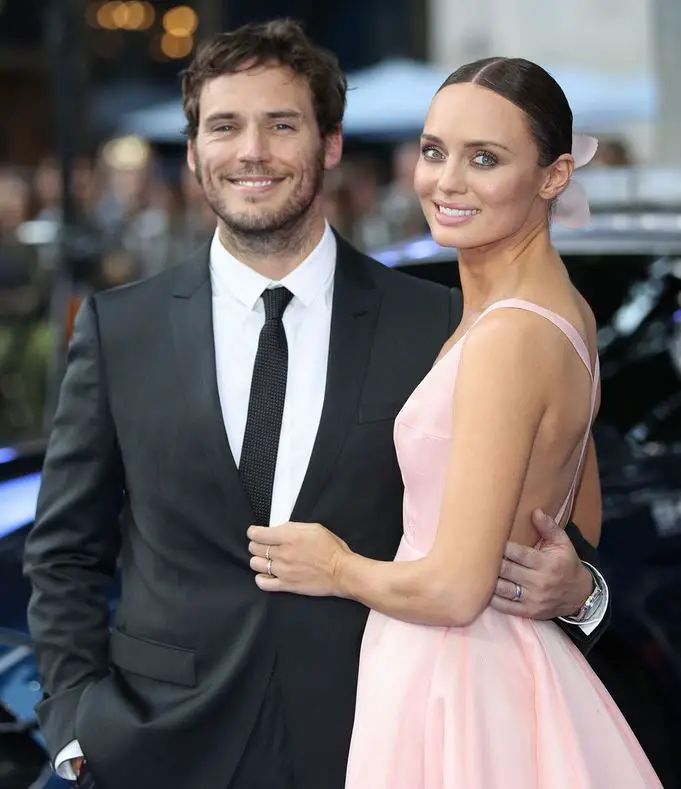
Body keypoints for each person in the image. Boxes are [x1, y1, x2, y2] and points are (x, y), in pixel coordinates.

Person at [23, 23, 607, 789]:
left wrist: (583, 592)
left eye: (282, 124)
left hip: (378, 739)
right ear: (194, 149)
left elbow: (565, 515)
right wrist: (74, 724)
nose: (252, 152)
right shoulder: (118, 328)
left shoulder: (439, 326)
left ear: (330, 144)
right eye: (225, 126)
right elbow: (65, 549)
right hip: (156, 751)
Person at [246, 57, 662, 788]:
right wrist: (577, 584)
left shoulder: (508, 337)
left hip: (456, 674)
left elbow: (455, 590)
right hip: (493, 664)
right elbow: (570, 520)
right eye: (435, 150)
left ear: (553, 175)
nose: (447, 181)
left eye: (485, 158)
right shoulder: (558, 314)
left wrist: (333, 565)